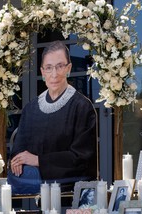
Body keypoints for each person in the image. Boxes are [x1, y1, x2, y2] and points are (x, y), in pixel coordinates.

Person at [8, 41, 97, 194]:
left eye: (60, 66)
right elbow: (18, 153)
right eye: (49, 68)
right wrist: (19, 160)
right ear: (42, 72)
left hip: (71, 191)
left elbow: (81, 158)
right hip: (36, 188)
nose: (54, 74)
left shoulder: (82, 106)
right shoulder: (31, 109)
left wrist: (38, 161)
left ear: (68, 68)